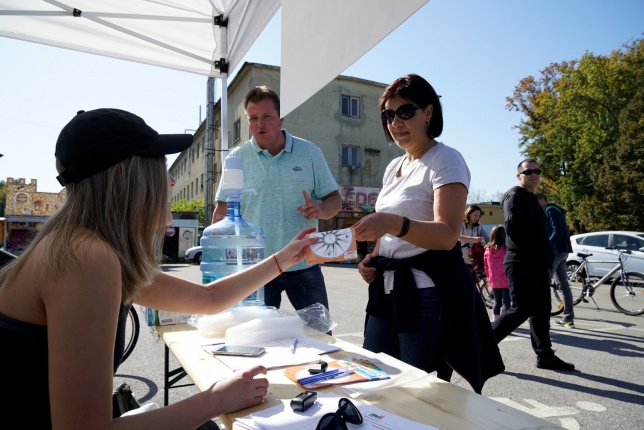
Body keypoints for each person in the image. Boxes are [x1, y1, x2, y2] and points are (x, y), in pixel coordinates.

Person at [0, 108, 318, 429]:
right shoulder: (86, 258)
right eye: (161, 165)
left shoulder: (90, 246)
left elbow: (208, 299)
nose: (171, 179)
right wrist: (215, 400)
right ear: (124, 175)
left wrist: (284, 258)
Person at [352, 74, 504, 394]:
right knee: (373, 376)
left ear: (429, 112)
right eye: (389, 115)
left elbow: (448, 234)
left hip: (426, 292)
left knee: (414, 389)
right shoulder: (394, 165)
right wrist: (371, 260)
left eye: (405, 111)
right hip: (388, 288)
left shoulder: (445, 159)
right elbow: (385, 229)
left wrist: (394, 224)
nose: (396, 122)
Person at [212, 86, 341, 314]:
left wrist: (320, 210)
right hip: (256, 268)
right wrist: (222, 259)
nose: (259, 124)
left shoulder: (309, 152)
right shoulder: (236, 159)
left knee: (320, 337)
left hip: (303, 262)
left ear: (281, 118)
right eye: (253, 118)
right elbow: (221, 213)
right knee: (257, 340)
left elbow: (334, 200)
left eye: (267, 117)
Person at [492, 159, 575, 371]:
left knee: (541, 310)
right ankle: (479, 345)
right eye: (528, 171)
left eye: (537, 171)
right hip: (523, 262)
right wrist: (534, 255)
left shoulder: (532, 199)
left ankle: (545, 356)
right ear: (519, 175)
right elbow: (514, 229)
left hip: (538, 263)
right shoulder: (515, 196)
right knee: (521, 308)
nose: (534, 174)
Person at [536, 193, 575, 328]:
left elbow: (558, 230)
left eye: (536, 203)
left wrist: (548, 245)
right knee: (563, 285)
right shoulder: (554, 210)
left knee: (543, 285)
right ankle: (568, 319)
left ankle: (542, 319)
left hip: (555, 252)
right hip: (562, 252)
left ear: (542, 200)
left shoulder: (550, 210)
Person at [484, 225, 511, 320]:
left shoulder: (487, 250)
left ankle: (495, 320)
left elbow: (486, 266)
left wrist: (488, 277)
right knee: (506, 301)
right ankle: (505, 320)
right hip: (505, 278)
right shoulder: (506, 250)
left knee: (497, 301)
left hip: (494, 279)